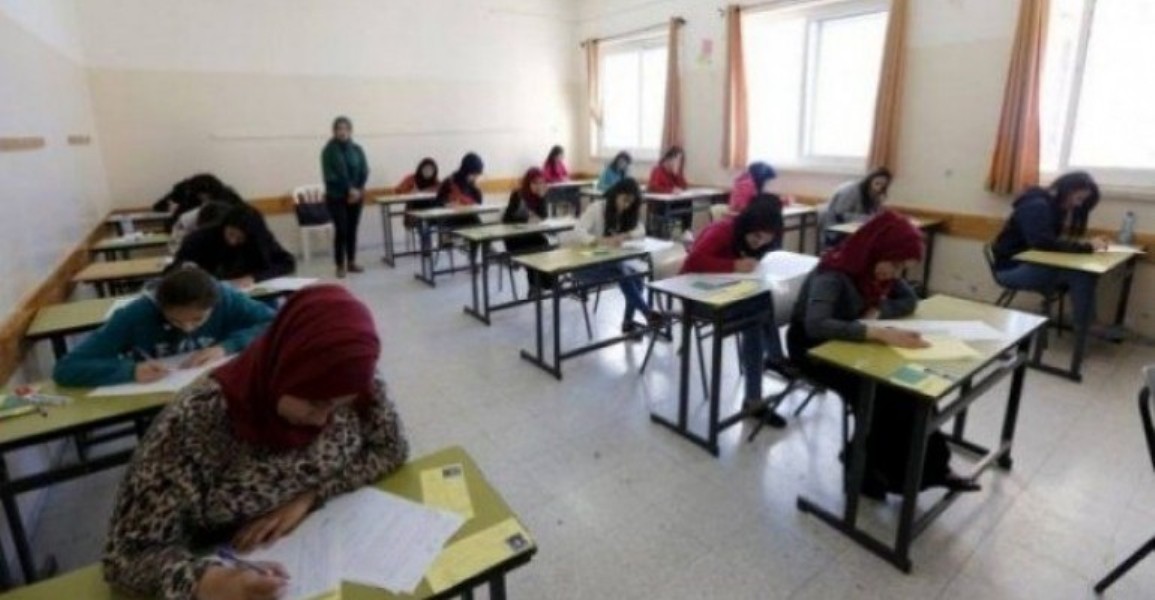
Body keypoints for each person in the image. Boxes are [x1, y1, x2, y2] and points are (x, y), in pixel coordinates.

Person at [102, 285, 408, 599]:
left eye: (339, 407)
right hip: (232, 564)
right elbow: (126, 557)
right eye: (315, 403)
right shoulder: (193, 422)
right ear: (284, 369)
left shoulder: (354, 378)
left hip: (331, 539)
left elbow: (391, 448)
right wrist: (212, 583)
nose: (322, 421)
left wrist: (311, 496)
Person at [787, 210, 979, 499]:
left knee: (914, 389)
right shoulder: (834, 272)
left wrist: (878, 310)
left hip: (852, 342)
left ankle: (934, 469)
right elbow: (816, 324)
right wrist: (877, 332)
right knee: (881, 394)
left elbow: (910, 301)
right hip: (813, 349)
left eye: (903, 268)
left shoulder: (877, 272)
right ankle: (865, 467)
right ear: (877, 249)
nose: (897, 274)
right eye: (896, 264)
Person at [54, 267, 274, 388]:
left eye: (197, 320)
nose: (187, 328)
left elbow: (274, 323)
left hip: (213, 387)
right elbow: (67, 368)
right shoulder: (135, 314)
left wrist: (226, 347)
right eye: (175, 321)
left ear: (213, 306)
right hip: (159, 394)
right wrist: (129, 370)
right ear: (161, 307)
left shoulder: (225, 297)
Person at [682, 195, 790, 427]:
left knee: (763, 306)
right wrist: (733, 266)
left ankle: (759, 389)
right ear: (748, 225)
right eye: (757, 236)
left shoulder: (757, 242)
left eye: (766, 240)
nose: (759, 243)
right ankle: (773, 363)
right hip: (696, 298)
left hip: (728, 295)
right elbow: (692, 262)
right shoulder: (723, 230)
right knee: (761, 310)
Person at [991, 171, 1107, 336]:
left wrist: (1084, 245)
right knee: (1082, 273)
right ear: (1066, 191)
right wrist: (1087, 247)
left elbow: (1049, 242)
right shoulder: (1037, 206)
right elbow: (1042, 243)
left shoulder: (1052, 206)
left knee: (1084, 272)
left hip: (1028, 264)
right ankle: (1085, 326)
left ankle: (1085, 323)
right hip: (1011, 269)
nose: (1079, 205)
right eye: (1078, 198)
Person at [562, 178, 665, 336]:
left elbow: (641, 230)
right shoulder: (597, 208)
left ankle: (628, 323)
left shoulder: (626, 213)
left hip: (609, 263)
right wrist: (599, 241)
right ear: (616, 194)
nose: (627, 205)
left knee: (636, 277)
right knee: (621, 270)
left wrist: (625, 236)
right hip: (584, 265)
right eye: (625, 200)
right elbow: (578, 232)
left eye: (630, 202)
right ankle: (647, 313)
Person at [172, 204, 296, 287]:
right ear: (225, 225)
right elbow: (176, 267)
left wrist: (254, 278)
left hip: (251, 292)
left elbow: (287, 263)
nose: (233, 241)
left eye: (240, 238)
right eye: (230, 234)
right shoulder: (200, 238)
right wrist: (187, 269)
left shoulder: (260, 239)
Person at [321, 116, 370, 278]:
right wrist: (349, 189)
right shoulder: (328, 151)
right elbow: (330, 176)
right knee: (341, 229)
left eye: (345, 128)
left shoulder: (357, 149)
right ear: (334, 131)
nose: (342, 132)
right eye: (339, 129)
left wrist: (358, 190)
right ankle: (340, 265)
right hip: (336, 197)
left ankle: (351, 262)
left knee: (352, 229)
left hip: (356, 196)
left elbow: (364, 170)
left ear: (350, 131)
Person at [503, 168, 554, 294]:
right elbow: (507, 220)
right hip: (514, 238)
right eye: (535, 182)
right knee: (534, 250)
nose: (538, 186)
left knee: (543, 244)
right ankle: (537, 285)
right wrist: (525, 219)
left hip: (531, 235)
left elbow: (543, 216)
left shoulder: (540, 195)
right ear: (528, 182)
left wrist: (542, 198)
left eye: (541, 182)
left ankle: (540, 285)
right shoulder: (518, 195)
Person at [819, 167, 892, 248]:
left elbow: (876, 213)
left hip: (855, 230)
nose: (878, 188)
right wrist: (867, 219)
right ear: (869, 180)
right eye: (877, 183)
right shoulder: (851, 190)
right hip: (835, 230)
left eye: (883, 186)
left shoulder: (875, 195)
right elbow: (840, 214)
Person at [647, 146, 693, 236]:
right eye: (677, 159)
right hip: (660, 204)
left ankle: (686, 231)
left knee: (688, 202)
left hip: (672, 203)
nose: (678, 163)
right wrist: (670, 190)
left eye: (680, 160)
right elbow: (653, 188)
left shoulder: (675, 172)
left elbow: (684, 187)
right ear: (669, 158)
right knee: (683, 206)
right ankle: (667, 233)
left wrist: (677, 174)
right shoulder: (658, 170)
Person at [436, 152, 486, 232]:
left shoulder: (473, 186)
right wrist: (448, 204)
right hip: (451, 218)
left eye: (477, 174)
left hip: (468, 217)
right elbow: (438, 202)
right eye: (474, 174)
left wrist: (477, 192)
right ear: (466, 171)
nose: (476, 177)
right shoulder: (449, 182)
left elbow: (478, 203)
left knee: (481, 229)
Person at [396, 157, 441, 230]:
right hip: (414, 209)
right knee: (423, 222)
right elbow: (398, 191)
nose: (428, 172)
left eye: (431, 170)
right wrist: (410, 192)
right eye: (426, 169)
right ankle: (423, 226)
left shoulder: (435, 182)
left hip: (430, 209)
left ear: (434, 171)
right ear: (420, 169)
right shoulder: (412, 179)